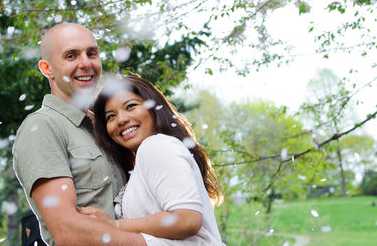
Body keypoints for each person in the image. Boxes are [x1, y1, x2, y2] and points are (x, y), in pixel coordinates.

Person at [13, 23, 146, 246]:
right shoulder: (42, 127)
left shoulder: (106, 126)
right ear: (47, 68)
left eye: (91, 53)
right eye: (71, 56)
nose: (86, 63)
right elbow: (68, 231)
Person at [79, 74, 226, 245]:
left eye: (131, 106)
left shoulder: (156, 145)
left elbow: (187, 219)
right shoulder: (147, 156)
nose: (121, 119)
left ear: (154, 107)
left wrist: (114, 225)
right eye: (111, 116)